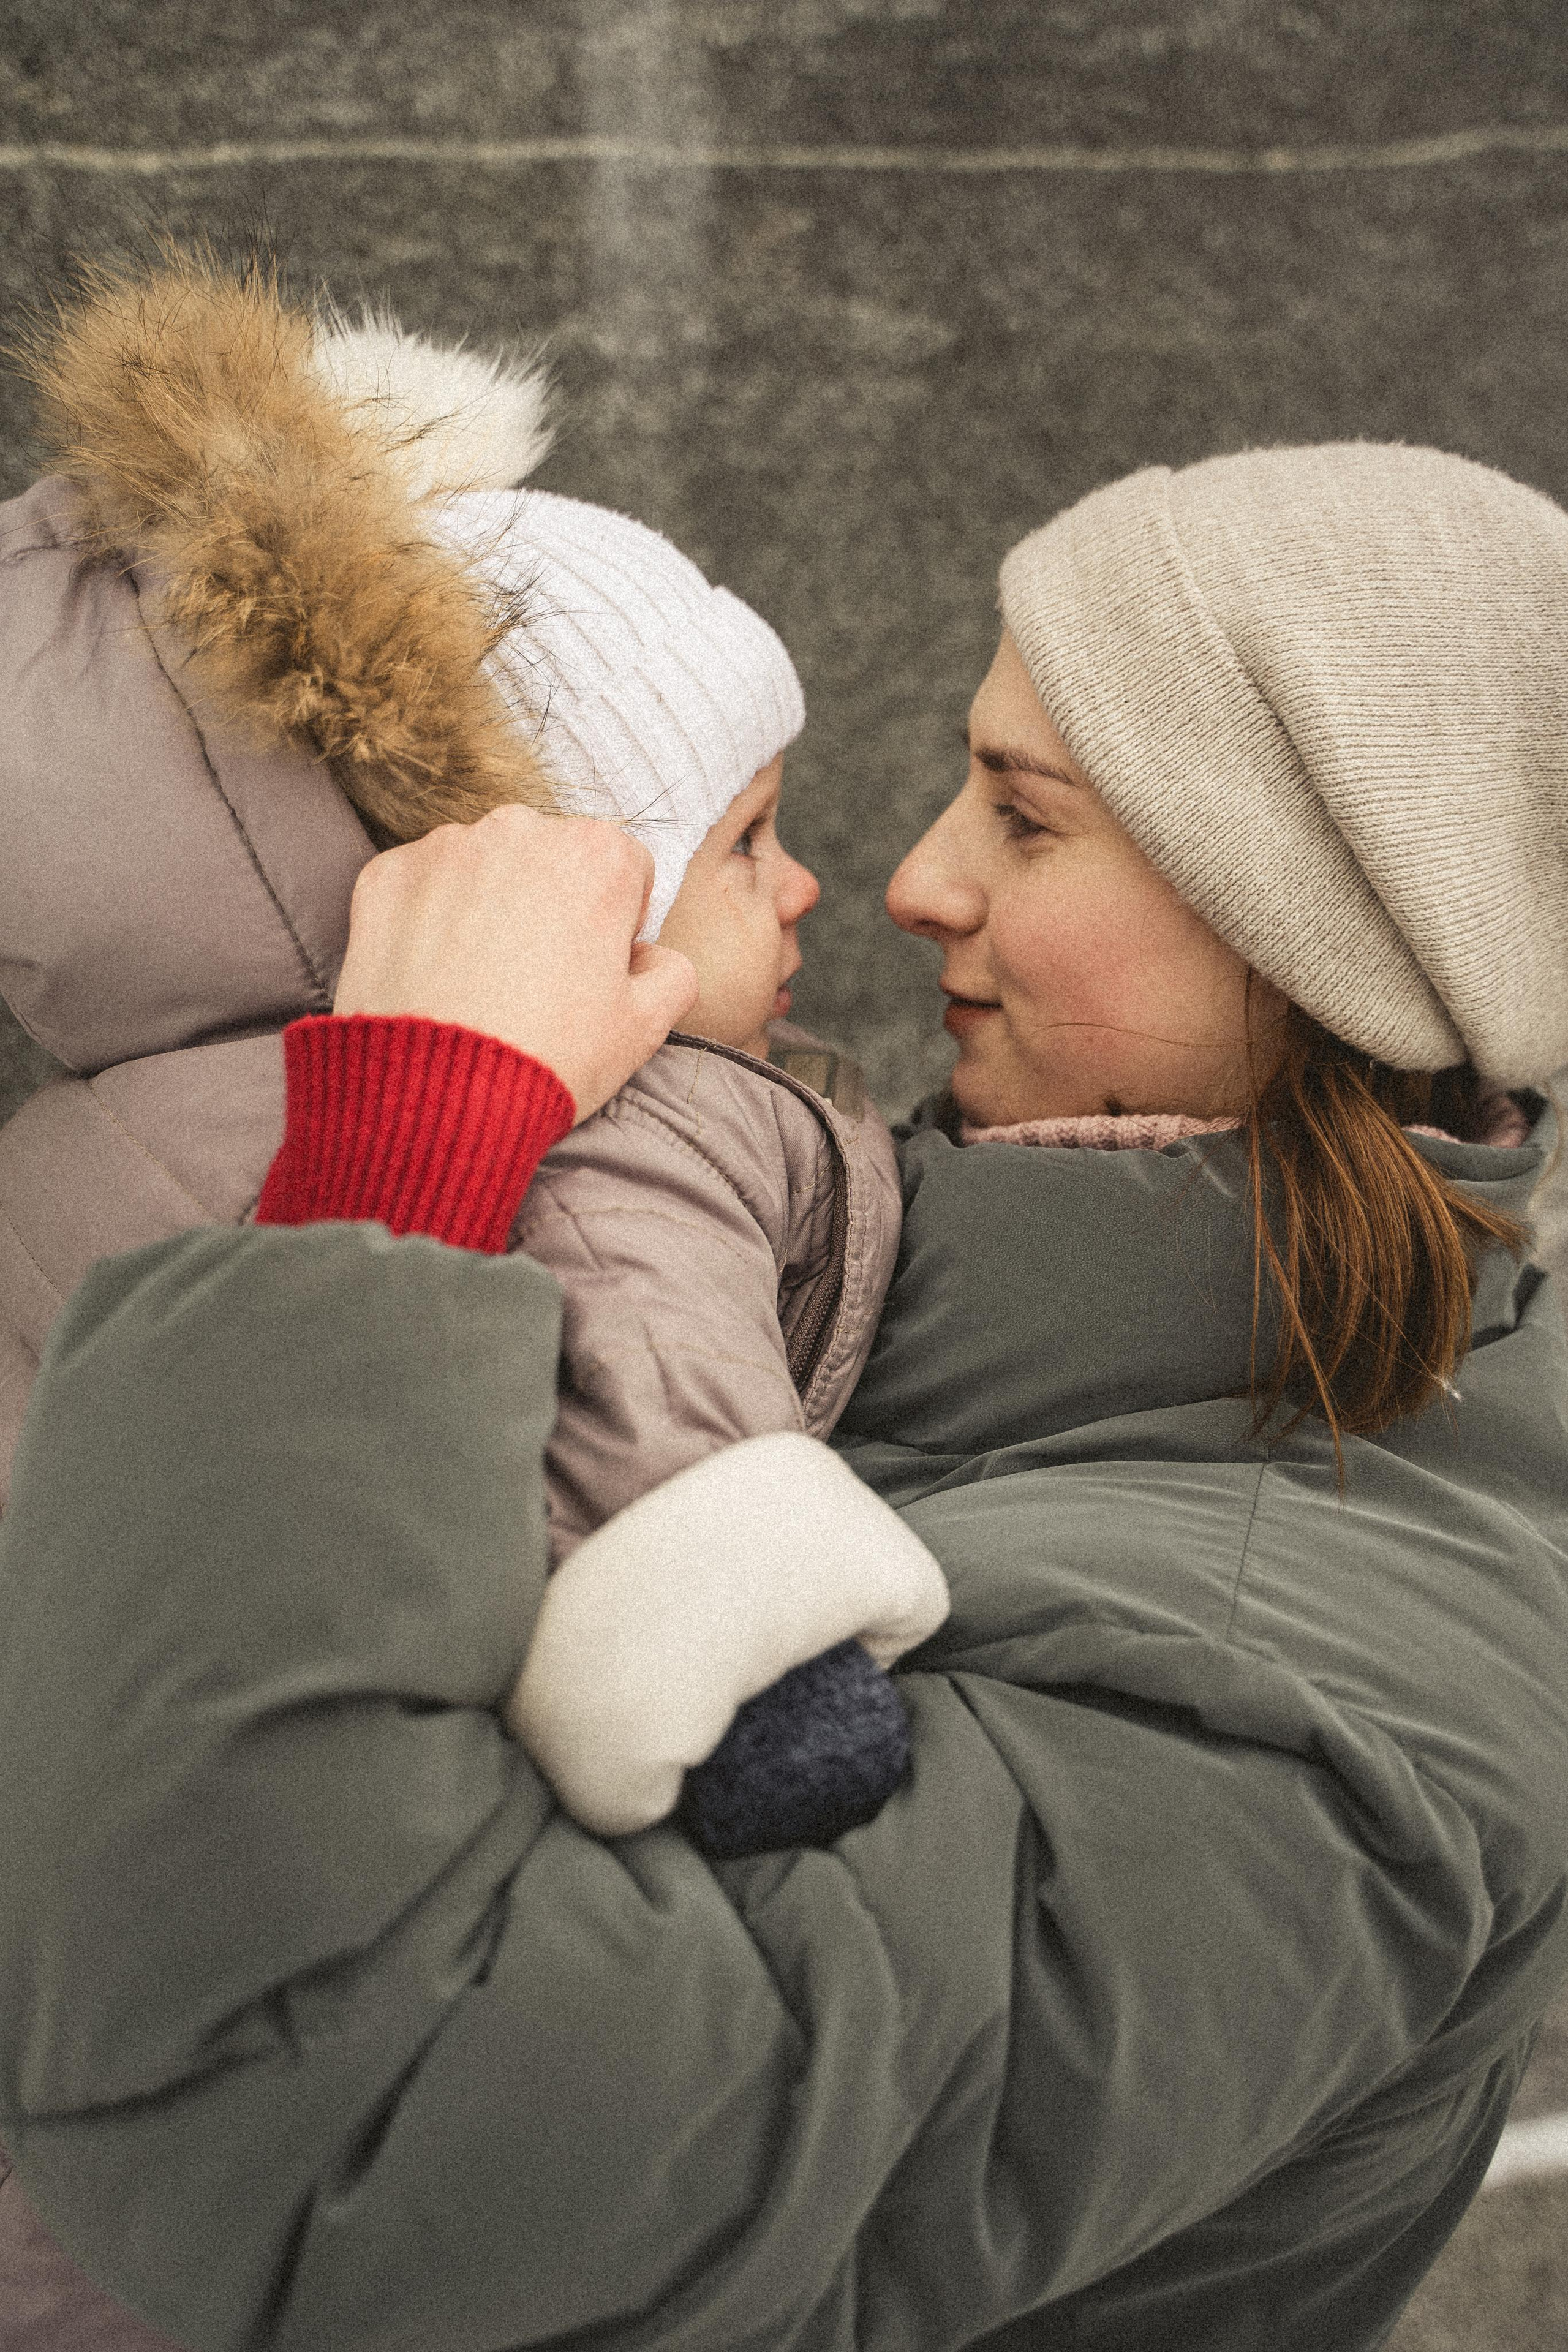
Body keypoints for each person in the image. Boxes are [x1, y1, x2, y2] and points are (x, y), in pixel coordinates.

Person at [3, 437, 1568, 2352]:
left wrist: (397, 1166)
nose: (915, 882)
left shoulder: (1332, 1681)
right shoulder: (908, 1308)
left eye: (1027, 819)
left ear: (1314, 936)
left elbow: (371, 2172)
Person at [0, 249, 948, 1864]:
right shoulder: (593, 1124)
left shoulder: (78, 1131)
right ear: (564, 875)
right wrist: (780, 1706)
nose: (809, 889)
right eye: (744, 841)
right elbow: (639, 1397)